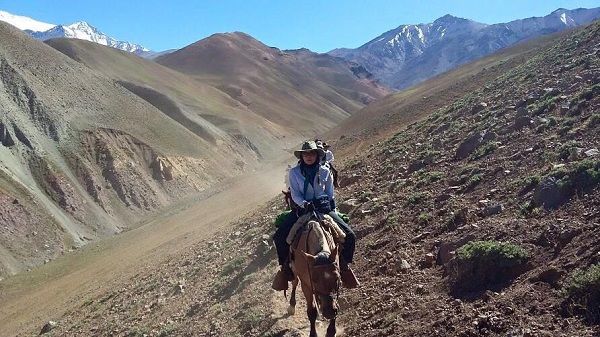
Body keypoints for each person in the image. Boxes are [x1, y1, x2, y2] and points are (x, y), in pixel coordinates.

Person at [272, 140, 357, 290]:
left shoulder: (325, 171)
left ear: (317, 155)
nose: (309, 156)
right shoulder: (294, 173)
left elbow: (330, 194)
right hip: (302, 210)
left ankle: (343, 267)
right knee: (279, 237)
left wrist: (332, 209)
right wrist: (304, 203)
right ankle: (286, 269)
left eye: (311, 153)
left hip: (323, 208)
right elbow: (295, 194)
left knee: (350, 236)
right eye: (306, 154)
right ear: (302, 156)